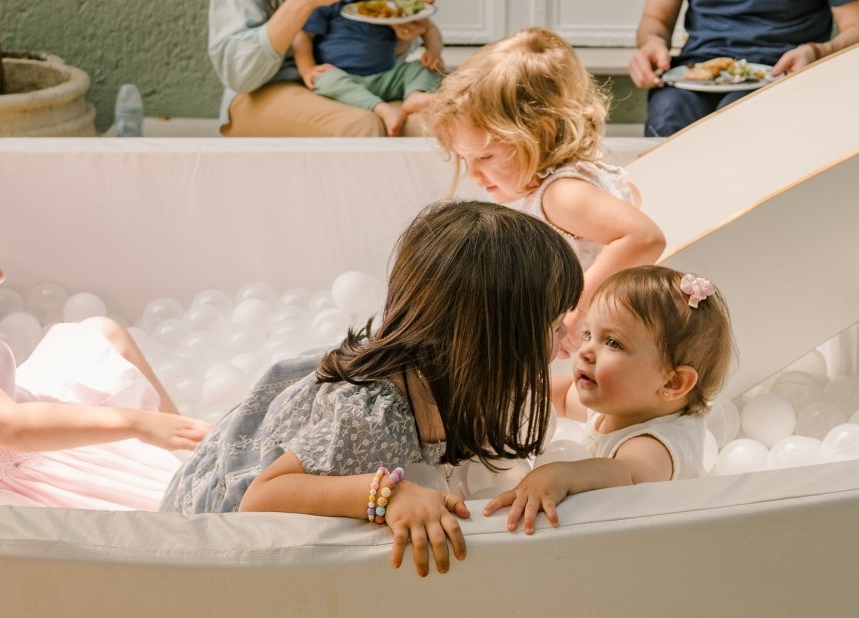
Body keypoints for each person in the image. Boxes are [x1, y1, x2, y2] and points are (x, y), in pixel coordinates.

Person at [160, 200, 584, 577]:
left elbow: (553, 392)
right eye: (554, 327)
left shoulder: (460, 371)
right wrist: (388, 494)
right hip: (212, 522)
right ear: (494, 345)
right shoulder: (375, 417)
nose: (566, 337)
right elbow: (262, 498)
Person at [0, 174, 211, 509]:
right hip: (10, 470)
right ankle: (195, 459)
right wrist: (137, 423)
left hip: (9, 418)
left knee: (102, 334)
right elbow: (6, 425)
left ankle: (190, 446)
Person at [427, 27, 666, 356]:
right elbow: (631, 200)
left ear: (541, 132)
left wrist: (577, 310)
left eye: (485, 156)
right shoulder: (566, 182)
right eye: (464, 158)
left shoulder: (562, 194)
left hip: (578, 339)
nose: (474, 174)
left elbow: (645, 237)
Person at [484, 266, 736, 534]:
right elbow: (561, 394)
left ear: (672, 383)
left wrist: (561, 474)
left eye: (613, 343)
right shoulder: (624, 402)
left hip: (666, 540)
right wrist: (507, 381)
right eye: (588, 335)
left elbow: (627, 474)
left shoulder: (656, 445)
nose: (585, 351)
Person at [628, 0, 859, 137]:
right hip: (696, 69)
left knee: (737, 121)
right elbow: (656, 19)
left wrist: (817, 52)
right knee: (669, 115)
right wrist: (652, 43)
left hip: (781, 71)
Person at [210, 0, 437, 137]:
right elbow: (240, 76)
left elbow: (370, 50)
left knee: (431, 124)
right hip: (268, 86)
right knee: (361, 127)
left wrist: (403, 30)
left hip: (359, 80)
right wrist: (301, 5)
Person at [293, 1, 444, 136]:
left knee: (421, 67)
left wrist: (433, 52)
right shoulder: (328, 4)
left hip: (386, 76)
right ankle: (381, 108)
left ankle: (415, 96)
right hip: (343, 77)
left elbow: (429, 28)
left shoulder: (391, 6)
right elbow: (304, 36)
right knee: (324, 79)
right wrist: (307, 69)